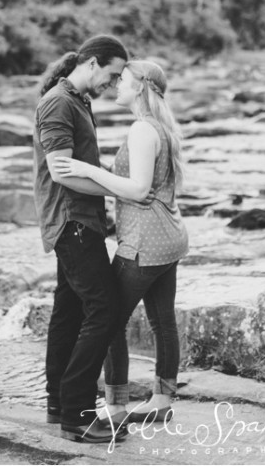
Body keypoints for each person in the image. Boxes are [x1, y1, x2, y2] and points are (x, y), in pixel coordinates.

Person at [54, 60, 188, 425]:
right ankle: (162, 399)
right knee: (162, 321)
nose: (116, 86)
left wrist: (87, 169)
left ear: (141, 87)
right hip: (168, 237)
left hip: (144, 244)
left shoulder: (143, 130)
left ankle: (114, 404)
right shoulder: (161, 125)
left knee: (109, 320)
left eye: (123, 81)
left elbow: (139, 189)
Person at [33, 34, 129, 444]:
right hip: (71, 222)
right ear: (91, 63)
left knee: (69, 311)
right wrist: (123, 189)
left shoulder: (78, 100)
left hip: (80, 221)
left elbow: (80, 164)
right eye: (113, 74)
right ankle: (78, 412)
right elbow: (60, 171)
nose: (115, 84)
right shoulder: (58, 102)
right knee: (105, 310)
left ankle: (59, 403)